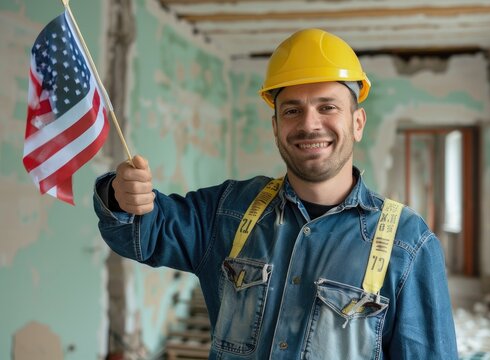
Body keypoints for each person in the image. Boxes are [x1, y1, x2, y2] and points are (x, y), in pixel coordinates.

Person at [94, 28, 458, 359]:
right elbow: (142, 232)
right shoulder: (229, 211)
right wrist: (121, 195)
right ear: (276, 126)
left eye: (327, 107)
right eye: (292, 110)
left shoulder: (408, 244)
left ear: (357, 123)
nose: (309, 124)